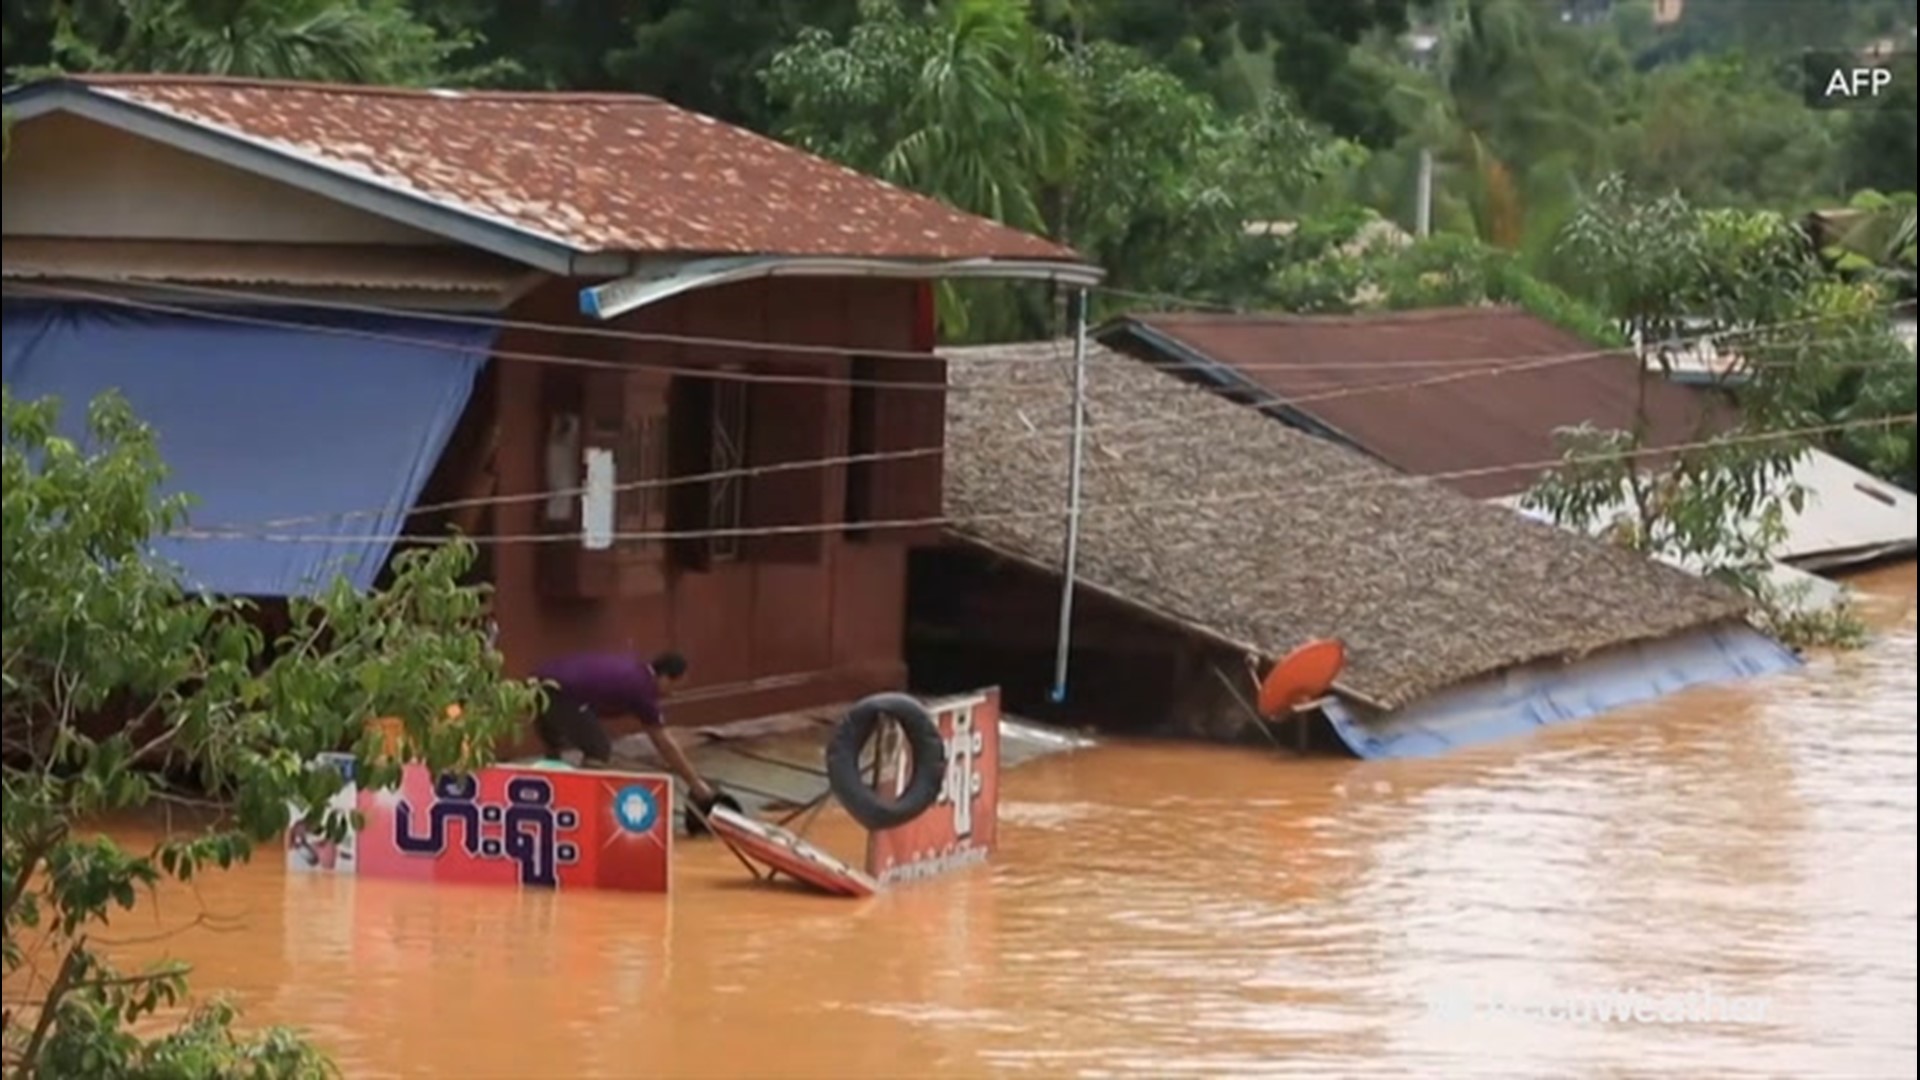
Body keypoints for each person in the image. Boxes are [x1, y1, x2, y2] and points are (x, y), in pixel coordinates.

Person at [530, 649, 734, 824]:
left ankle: (548, 799)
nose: (672, 695)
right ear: (664, 677)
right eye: (673, 688)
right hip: (561, 693)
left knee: (554, 743)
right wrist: (696, 785)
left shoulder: (635, 673)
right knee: (599, 749)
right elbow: (664, 743)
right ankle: (581, 807)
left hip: (537, 683)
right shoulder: (643, 690)